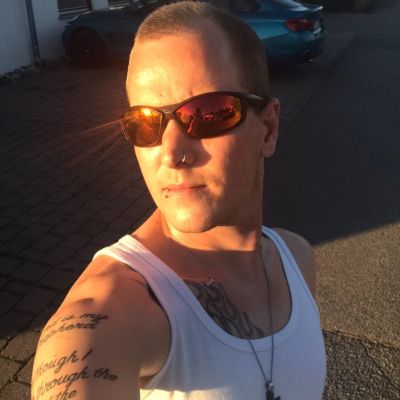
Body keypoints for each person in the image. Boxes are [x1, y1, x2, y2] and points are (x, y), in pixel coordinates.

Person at [31, 2, 326, 399]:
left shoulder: (296, 258)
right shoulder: (110, 310)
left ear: (269, 129)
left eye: (208, 113)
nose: (171, 153)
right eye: (145, 122)